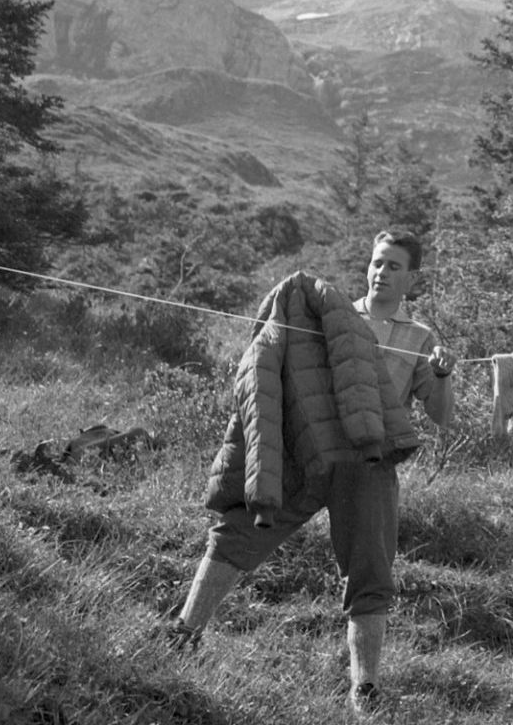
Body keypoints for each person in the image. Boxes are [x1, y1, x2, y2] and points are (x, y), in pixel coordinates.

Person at [167, 230, 455, 715]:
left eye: (393, 267)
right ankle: (183, 633)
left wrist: (443, 376)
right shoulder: (326, 314)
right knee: (239, 530)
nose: (381, 273)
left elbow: (441, 415)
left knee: (370, 572)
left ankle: (364, 690)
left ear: (412, 279)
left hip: (369, 467)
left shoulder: (421, 338)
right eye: (377, 262)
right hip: (309, 453)